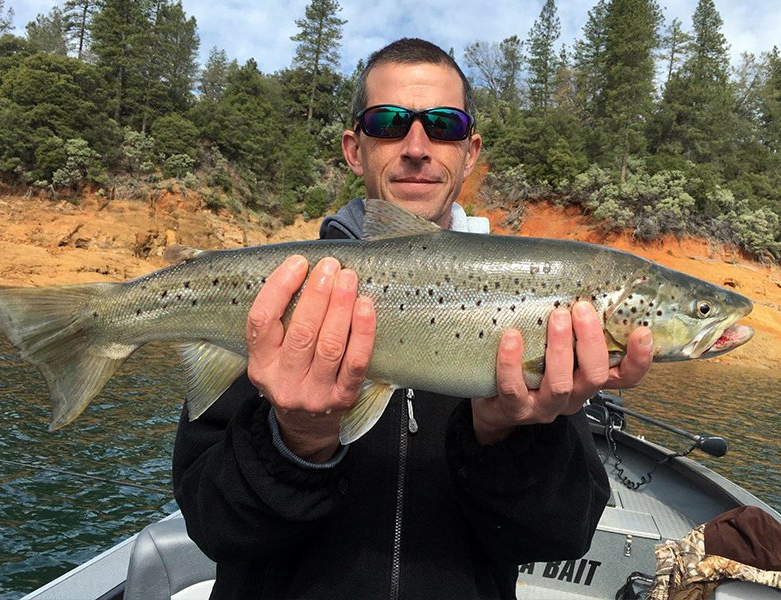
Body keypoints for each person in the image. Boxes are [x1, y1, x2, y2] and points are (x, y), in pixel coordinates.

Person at [172, 38, 654, 599]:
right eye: (390, 122)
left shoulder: (546, 310)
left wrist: (509, 432)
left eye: (444, 125)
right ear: (355, 149)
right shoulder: (278, 294)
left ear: (470, 152)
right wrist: (297, 441)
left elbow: (558, 537)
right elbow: (212, 527)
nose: (417, 146)